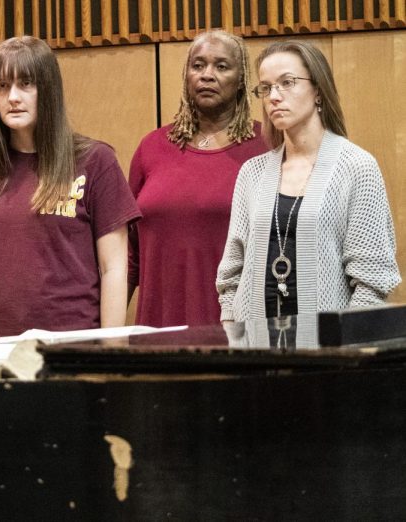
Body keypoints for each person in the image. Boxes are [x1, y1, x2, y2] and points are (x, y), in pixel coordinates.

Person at [0, 36, 141, 354]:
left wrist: (113, 353)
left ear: (48, 90)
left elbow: (113, 267)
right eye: (2, 87)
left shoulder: (95, 161)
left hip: (70, 353)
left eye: (25, 84)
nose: (12, 97)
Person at [216, 39, 400, 321]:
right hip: (253, 353)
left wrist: (343, 350)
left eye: (287, 82)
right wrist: (233, 337)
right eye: (265, 88)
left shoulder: (357, 167)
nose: (273, 97)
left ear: (317, 90)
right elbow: (231, 274)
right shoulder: (252, 173)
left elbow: (372, 281)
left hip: (328, 354)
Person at [128, 30, 268, 328]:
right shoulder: (151, 148)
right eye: (198, 65)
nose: (207, 75)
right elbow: (129, 256)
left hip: (237, 330)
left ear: (241, 78)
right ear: (186, 75)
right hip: (158, 330)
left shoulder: (266, 146)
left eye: (221, 66)